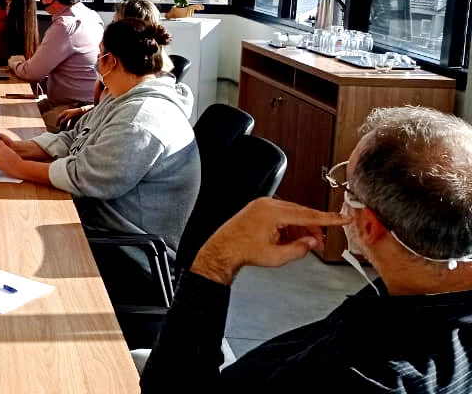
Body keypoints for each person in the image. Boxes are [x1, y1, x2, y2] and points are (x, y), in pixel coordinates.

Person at [142, 107, 472, 393]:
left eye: (346, 186)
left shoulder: (359, 377)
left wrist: (216, 260)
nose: (342, 194)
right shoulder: (419, 289)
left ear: (369, 227)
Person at [0, 19, 200, 299]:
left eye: (99, 55)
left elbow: (84, 177)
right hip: (99, 222)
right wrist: (22, 148)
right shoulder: (121, 97)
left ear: (111, 61)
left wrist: (18, 167)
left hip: (128, 251)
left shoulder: (140, 119)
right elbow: (76, 136)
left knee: (10, 238)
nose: (96, 63)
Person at [7, 0, 104, 132]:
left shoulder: (65, 26)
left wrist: (15, 63)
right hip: (79, 104)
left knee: (13, 127)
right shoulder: (91, 15)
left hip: (72, 109)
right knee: (11, 111)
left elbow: (31, 73)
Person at [57, 0, 166, 129]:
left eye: (115, 23)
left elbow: (117, 111)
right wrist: (85, 111)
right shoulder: (124, 71)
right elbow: (107, 106)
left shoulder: (130, 76)